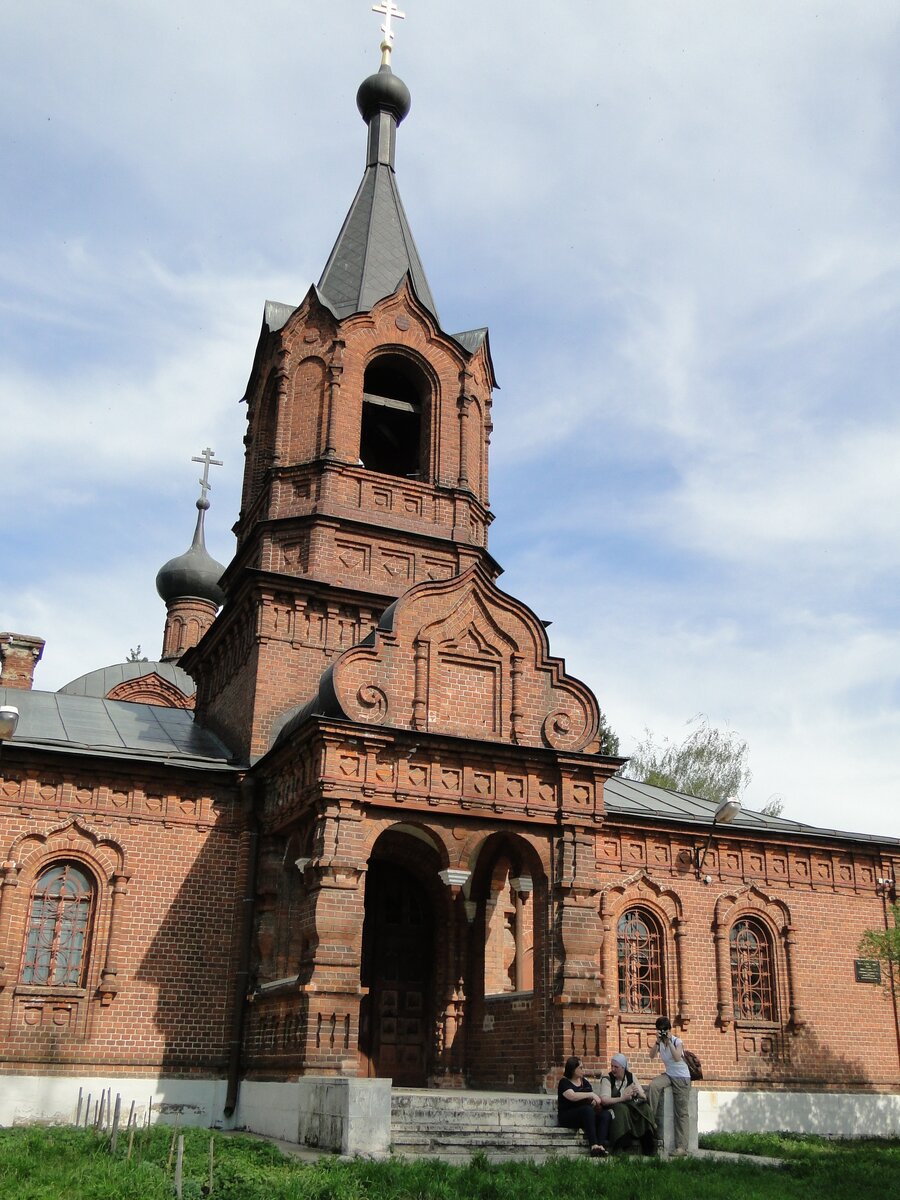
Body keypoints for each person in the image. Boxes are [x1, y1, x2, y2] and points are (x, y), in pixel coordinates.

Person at [646, 1015, 691, 1156]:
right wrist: (657, 1042)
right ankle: (650, 1119)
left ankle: (681, 1147)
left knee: (681, 1112)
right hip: (669, 1075)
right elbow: (651, 1056)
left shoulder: (677, 1041)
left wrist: (670, 1041)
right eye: (660, 1030)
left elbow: (677, 1057)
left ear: (669, 1029)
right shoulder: (660, 1042)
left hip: (682, 1077)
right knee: (653, 1086)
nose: (663, 1032)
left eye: (665, 1030)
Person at [599, 1052, 657, 1154]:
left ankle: (648, 1144)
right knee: (622, 1109)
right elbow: (604, 1100)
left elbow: (643, 1096)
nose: (613, 1069)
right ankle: (620, 1145)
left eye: (616, 1067)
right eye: (612, 1066)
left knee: (645, 1109)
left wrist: (638, 1093)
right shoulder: (607, 1079)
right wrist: (622, 1098)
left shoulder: (631, 1076)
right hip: (614, 1107)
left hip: (631, 1106)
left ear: (623, 1068)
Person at [557, 1055, 611, 1157]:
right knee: (587, 1110)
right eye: (580, 1068)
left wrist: (593, 1101)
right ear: (573, 1069)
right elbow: (572, 1096)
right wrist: (590, 1095)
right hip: (568, 1116)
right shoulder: (564, 1082)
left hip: (586, 1116)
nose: (583, 1070)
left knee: (605, 1115)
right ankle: (593, 1145)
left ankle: (600, 1146)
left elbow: (593, 1101)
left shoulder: (584, 1082)